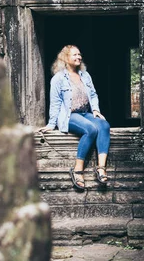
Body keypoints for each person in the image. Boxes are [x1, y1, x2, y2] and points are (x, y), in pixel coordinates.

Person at [38, 45, 111, 190]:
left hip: (85, 113)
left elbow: (93, 94)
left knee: (104, 125)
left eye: (79, 54)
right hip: (69, 116)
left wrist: (95, 110)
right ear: (65, 58)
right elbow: (55, 102)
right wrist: (51, 124)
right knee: (91, 129)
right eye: (74, 55)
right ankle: (78, 170)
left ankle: (101, 168)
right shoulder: (58, 78)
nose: (79, 57)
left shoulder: (85, 75)